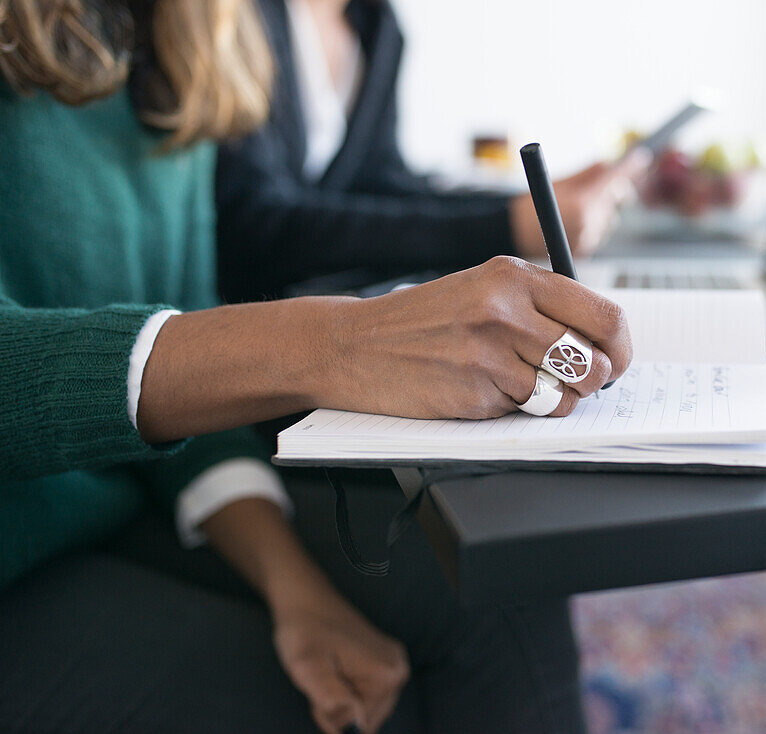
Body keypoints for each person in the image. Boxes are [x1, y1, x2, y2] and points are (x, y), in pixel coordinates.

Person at [0, 1, 631, 732]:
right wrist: (332, 345)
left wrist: (294, 587)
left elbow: (173, 360)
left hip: (119, 501)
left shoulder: (183, 35)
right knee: (365, 711)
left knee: (494, 593)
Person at [216, 0, 647, 304]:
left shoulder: (377, 25)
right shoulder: (239, 18)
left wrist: (528, 205)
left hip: (338, 300)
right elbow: (259, 227)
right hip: (258, 325)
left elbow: (382, 185)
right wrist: (507, 227)